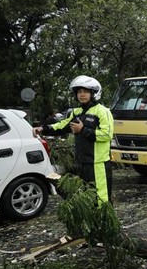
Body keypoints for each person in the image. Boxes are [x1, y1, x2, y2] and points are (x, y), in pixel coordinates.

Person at [33, 75, 114, 203]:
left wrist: (83, 130)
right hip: (81, 162)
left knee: (101, 198)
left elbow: (107, 134)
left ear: (94, 93)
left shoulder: (102, 112)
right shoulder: (76, 112)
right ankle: (89, 219)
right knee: (87, 195)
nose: (82, 95)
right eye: (79, 92)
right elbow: (62, 126)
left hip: (98, 164)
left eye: (85, 91)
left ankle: (102, 221)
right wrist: (44, 128)